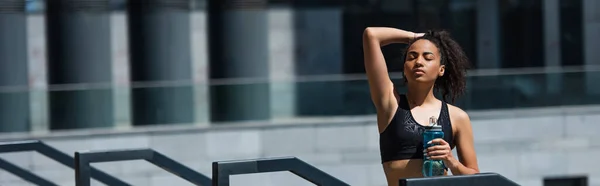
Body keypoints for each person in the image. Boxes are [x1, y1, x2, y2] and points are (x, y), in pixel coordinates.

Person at [362, 27, 479, 186]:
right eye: (412, 57)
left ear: (441, 70)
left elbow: (476, 179)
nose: (418, 62)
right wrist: (415, 37)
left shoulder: (457, 117)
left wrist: (451, 162)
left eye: (427, 57)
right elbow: (371, 35)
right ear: (404, 68)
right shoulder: (390, 104)